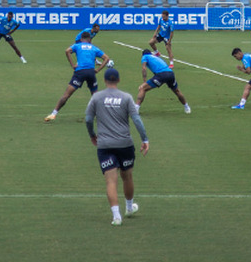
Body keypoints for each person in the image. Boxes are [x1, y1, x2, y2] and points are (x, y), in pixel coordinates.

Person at [85, 68, 148, 226]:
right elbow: (137, 120)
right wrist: (144, 139)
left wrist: (92, 134)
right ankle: (129, 207)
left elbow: (87, 118)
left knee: (111, 181)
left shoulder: (97, 97)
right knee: (127, 177)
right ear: (118, 80)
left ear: (105, 81)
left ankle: (116, 216)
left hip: (105, 145)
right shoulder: (126, 97)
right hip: (124, 144)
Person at [44, 31, 110, 122]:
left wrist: (72, 65)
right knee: (95, 96)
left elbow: (67, 51)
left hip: (80, 72)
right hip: (91, 72)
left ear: (81, 39)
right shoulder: (94, 48)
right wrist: (98, 70)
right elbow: (106, 58)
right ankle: (102, 116)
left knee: (66, 95)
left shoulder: (77, 46)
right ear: (90, 39)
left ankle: (53, 114)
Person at [137, 46, 190, 113]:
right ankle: (186, 106)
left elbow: (144, 68)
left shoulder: (145, 57)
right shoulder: (156, 57)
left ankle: (136, 109)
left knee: (142, 88)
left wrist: (144, 81)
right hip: (170, 73)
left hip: (161, 75)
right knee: (176, 91)